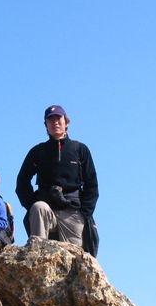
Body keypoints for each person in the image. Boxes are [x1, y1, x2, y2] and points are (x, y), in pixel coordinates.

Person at [16, 105, 98, 249]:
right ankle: (37, 253)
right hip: (46, 209)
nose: (55, 122)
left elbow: (92, 184)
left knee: (73, 257)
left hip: (72, 212)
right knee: (38, 207)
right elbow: (22, 181)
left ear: (66, 122)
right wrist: (31, 204)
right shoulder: (38, 151)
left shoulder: (80, 150)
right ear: (46, 125)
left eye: (58, 118)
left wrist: (84, 213)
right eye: (50, 120)